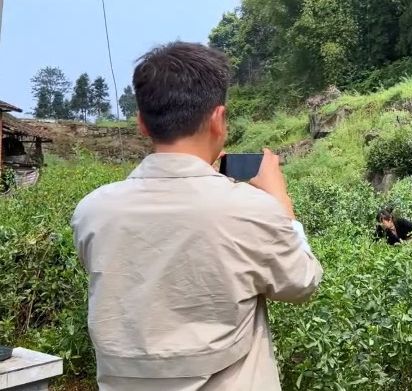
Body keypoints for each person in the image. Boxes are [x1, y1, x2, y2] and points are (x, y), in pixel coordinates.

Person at [71, 42, 323, 391]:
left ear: (142, 123)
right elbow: (301, 283)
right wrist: (280, 204)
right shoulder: (250, 208)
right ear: (219, 119)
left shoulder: (92, 211)